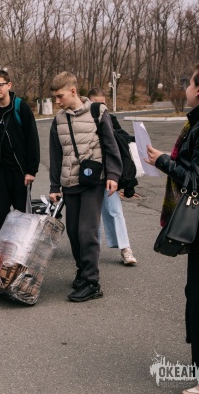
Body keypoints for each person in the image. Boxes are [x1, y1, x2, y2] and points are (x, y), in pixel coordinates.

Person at [145, 60, 199, 394]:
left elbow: (198, 180)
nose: (185, 87)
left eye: (189, 82)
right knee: (198, 299)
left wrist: (163, 161)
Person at [49, 71, 122, 302]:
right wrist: (54, 185)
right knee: (73, 232)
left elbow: (111, 145)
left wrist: (113, 174)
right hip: (69, 183)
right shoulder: (58, 120)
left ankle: (92, 282)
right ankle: (82, 270)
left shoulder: (97, 112)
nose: (57, 101)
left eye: (60, 96)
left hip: (93, 181)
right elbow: (55, 155)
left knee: (87, 231)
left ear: (73, 91)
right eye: (54, 97)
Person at [0, 70, 40, 240]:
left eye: (0, 85)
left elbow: (32, 139)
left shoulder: (20, 107)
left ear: (9, 85)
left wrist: (31, 170)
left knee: (22, 216)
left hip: (19, 171)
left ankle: (22, 253)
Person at [87, 88, 137, 265]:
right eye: (97, 103)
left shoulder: (110, 118)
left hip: (108, 173)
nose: (101, 107)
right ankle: (93, 251)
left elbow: (121, 141)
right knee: (91, 215)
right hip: (89, 174)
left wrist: (132, 138)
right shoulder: (84, 121)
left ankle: (125, 249)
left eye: (103, 103)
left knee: (115, 211)